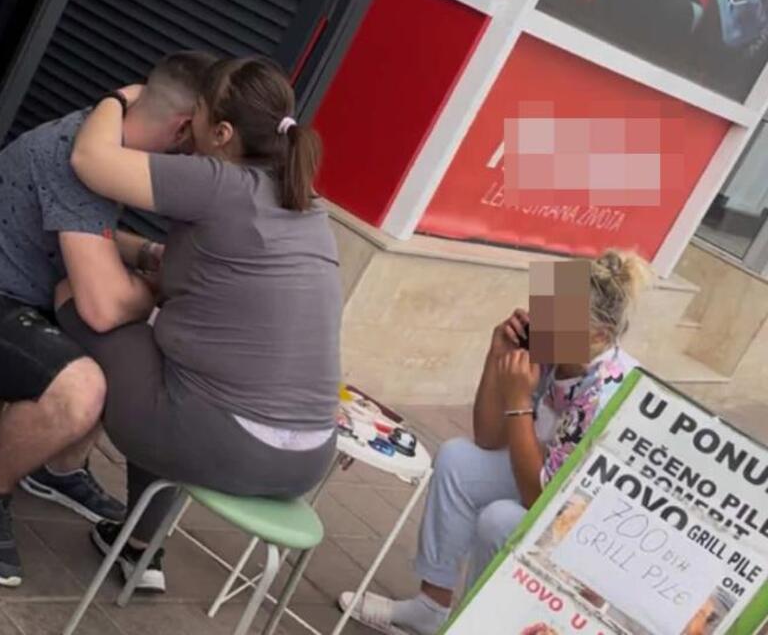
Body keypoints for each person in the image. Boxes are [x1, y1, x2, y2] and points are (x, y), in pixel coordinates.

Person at [0, 51, 218, 587]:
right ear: (185, 128)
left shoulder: (108, 142)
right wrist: (162, 288)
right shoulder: (82, 158)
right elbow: (101, 304)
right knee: (81, 385)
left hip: (13, 294)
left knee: (129, 356)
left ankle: (57, 469)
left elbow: (81, 228)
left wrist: (144, 254)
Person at [55, 55, 342, 592]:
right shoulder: (308, 204)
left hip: (227, 446)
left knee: (77, 295)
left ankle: (51, 446)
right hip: (308, 460)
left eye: (199, 113)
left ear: (223, 133)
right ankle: (140, 550)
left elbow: (89, 158)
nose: (189, 126)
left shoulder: (220, 181)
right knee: (175, 377)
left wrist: (120, 98)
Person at [337, 250, 652, 635]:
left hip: (591, 535)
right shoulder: (558, 351)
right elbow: (488, 438)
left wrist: (519, 401)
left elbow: (538, 500)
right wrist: (497, 353)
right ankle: (430, 608)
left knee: (501, 520)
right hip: (552, 486)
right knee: (457, 458)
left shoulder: (603, 393)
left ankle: (472, 627)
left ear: (599, 336)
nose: (543, 324)